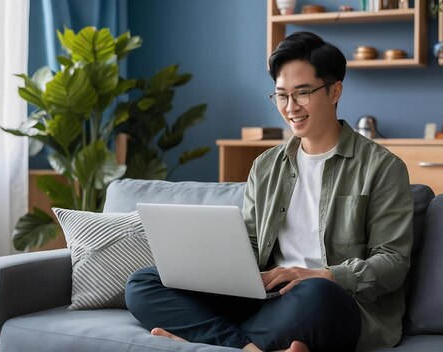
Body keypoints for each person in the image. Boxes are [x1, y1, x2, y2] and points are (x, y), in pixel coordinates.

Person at [125, 31, 414, 352]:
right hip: (265, 298)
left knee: (319, 296)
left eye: (302, 94)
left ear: (335, 91)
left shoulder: (382, 167)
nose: (290, 107)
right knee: (144, 283)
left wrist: (325, 275)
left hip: (332, 301)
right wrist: (217, 272)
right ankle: (249, 347)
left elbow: (393, 263)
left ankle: (211, 339)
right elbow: (248, 241)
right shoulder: (265, 166)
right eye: (281, 95)